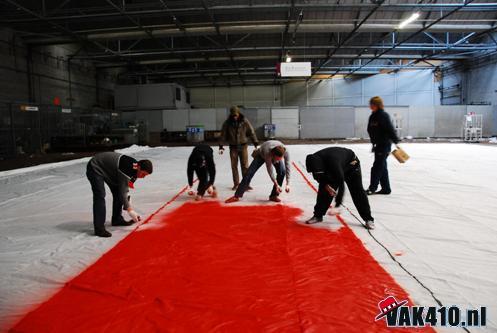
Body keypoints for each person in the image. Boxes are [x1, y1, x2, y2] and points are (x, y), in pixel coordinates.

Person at [305, 147, 375, 230]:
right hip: (335, 165)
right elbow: (319, 177)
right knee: (324, 191)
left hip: (351, 165)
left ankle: (368, 219)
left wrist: (337, 205)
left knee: (357, 191)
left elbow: (341, 184)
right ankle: (318, 215)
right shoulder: (314, 160)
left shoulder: (333, 164)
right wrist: (327, 186)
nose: (316, 173)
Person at [86, 152, 153, 238]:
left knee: (118, 192)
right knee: (100, 195)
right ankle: (99, 228)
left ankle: (117, 219)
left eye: (145, 176)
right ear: (139, 168)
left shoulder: (136, 170)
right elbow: (123, 191)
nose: (143, 177)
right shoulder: (128, 168)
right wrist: (130, 210)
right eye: (143, 174)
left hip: (109, 171)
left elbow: (125, 189)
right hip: (95, 167)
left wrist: (127, 202)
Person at [225, 140, 290, 203]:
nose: (277, 161)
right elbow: (270, 170)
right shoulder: (267, 153)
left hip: (273, 153)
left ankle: (273, 195)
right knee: (249, 173)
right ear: (273, 155)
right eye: (277, 159)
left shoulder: (286, 152)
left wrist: (287, 183)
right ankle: (237, 196)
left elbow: (287, 166)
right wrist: (276, 184)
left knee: (282, 171)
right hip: (261, 154)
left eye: (280, 159)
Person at [219, 106, 259, 190]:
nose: (235, 117)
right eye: (233, 115)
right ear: (231, 114)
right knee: (234, 166)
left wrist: (255, 143)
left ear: (238, 113)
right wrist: (221, 146)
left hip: (243, 146)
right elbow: (223, 135)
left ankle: (246, 184)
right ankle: (236, 184)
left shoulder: (244, 121)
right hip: (233, 147)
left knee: (245, 165)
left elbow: (251, 132)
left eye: (236, 115)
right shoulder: (227, 123)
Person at [366, 96, 400, 195]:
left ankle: (372, 188)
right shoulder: (373, 116)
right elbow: (370, 130)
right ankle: (386, 188)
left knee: (377, 167)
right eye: (370, 104)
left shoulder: (383, 115)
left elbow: (390, 129)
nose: (370, 106)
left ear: (377, 105)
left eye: (372, 104)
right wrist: (373, 142)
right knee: (382, 166)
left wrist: (396, 141)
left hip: (384, 144)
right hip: (377, 145)